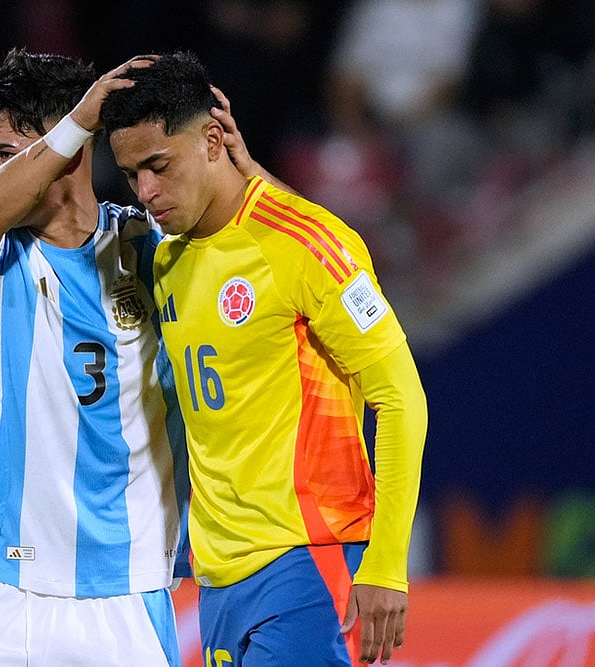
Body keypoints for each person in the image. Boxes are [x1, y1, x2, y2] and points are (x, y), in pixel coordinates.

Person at [0, 48, 274, 666]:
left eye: (5, 156)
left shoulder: (156, 253)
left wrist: (251, 177)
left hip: (127, 601)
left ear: (69, 153)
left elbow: (284, 265)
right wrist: (80, 118)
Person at [100, 52, 428, 666]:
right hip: (217, 575)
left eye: (158, 165)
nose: (146, 191)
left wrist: (387, 560)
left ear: (213, 138)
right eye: (130, 174)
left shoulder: (310, 245)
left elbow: (401, 397)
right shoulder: (168, 259)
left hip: (309, 559)